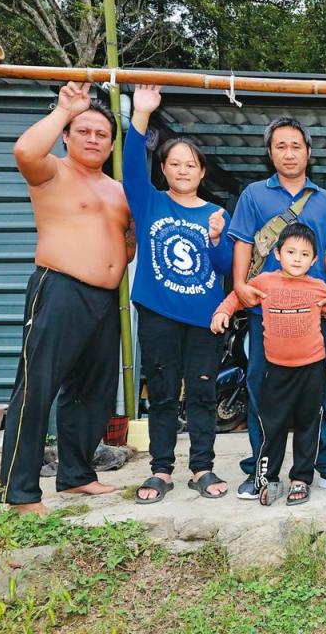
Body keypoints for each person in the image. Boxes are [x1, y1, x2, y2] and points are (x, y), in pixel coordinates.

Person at [0, 82, 133, 515]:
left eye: (102, 134)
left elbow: (129, 239)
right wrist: (64, 109)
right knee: (37, 388)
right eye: (84, 131)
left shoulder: (117, 190)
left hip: (104, 300)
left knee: (92, 391)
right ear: (68, 137)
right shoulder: (52, 171)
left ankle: (76, 475)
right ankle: (19, 492)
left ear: (112, 144)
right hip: (58, 289)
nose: (94, 139)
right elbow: (23, 152)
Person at [227, 117, 326, 498]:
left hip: (315, 315)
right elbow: (241, 243)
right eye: (281, 146)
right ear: (269, 152)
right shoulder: (254, 195)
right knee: (259, 391)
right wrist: (239, 286)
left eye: (296, 146)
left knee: (325, 392)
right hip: (265, 314)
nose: (289, 153)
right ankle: (261, 471)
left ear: (308, 152)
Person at [123, 84, 233, 504]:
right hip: (158, 313)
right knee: (164, 393)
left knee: (203, 394)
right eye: (175, 164)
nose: (183, 170)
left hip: (205, 319)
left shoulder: (216, 213)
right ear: (164, 170)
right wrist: (142, 115)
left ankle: (202, 467)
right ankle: (161, 470)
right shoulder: (149, 203)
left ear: (201, 172)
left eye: (191, 165)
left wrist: (221, 239)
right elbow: (133, 166)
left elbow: (224, 269)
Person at [212, 223, 326, 506]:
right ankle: (267, 478)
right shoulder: (264, 282)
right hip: (275, 370)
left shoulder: (318, 286)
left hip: (312, 369)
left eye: (304, 254)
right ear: (277, 253)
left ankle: (301, 478)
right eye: (290, 252)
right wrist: (222, 312)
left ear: (313, 260)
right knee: (270, 426)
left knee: (308, 425)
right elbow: (238, 296)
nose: (297, 258)